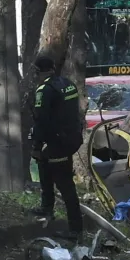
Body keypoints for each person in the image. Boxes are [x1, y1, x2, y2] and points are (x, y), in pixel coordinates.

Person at [30, 56, 84, 237]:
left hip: (58, 142)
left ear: (38, 71)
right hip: (71, 139)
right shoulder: (67, 84)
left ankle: (75, 229)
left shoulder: (44, 90)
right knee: (44, 164)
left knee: (65, 184)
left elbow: (41, 121)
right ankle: (46, 208)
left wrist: (36, 145)